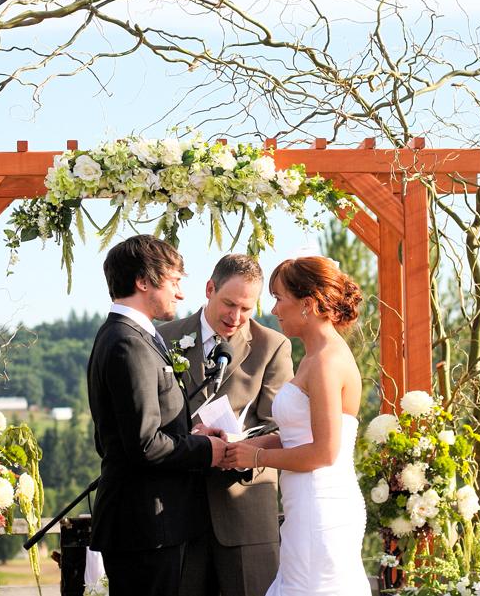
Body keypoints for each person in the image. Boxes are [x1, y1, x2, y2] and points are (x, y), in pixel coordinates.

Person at [87, 235, 228, 596]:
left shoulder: (131, 336)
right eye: (175, 281)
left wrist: (192, 431)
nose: (181, 293)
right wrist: (204, 450)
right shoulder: (127, 342)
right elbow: (144, 444)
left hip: (149, 522)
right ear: (143, 282)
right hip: (143, 524)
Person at [222, 256, 370, 596]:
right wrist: (243, 445)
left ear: (308, 304)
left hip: (321, 507)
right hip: (305, 504)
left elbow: (323, 452)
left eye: (278, 297)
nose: (274, 309)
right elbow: (296, 435)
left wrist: (256, 460)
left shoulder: (327, 362)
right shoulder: (315, 357)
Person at [158, 254, 293, 596]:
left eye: (246, 309)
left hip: (245, 510)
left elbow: (282, 427)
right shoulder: (163, 338)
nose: (236, 317)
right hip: (177, 511)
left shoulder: (272, 346)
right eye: (229, 304)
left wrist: (235, 443)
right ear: (209, 289)